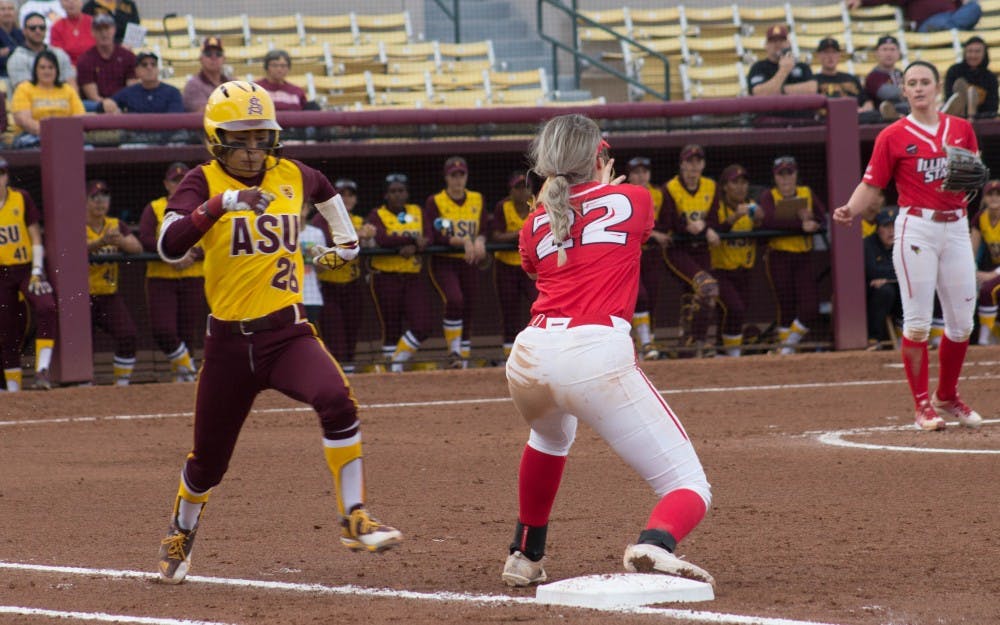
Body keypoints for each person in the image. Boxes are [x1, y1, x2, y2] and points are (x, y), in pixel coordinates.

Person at [155, 80, 401, 584]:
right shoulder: (201, 182)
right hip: (227, 342)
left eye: (260, 138)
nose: (252, 151)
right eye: (241, 139)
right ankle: (182, 527)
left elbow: (334, 210)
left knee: (337, 399)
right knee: (207, 464)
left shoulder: (295, 174)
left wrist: (346, 245)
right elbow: (168, 245)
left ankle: (354, 515)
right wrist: (220, 205)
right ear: (216, 138)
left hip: (287, 332)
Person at [501, 113, 713, 589]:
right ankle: (655, 544)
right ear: (598, 159)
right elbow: (612, 223)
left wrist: (569, 194)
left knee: (549, 439)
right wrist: (599, 185)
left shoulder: (536, 219)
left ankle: (524, 553)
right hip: (593, 349)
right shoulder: (634, 198)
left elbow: (538, 267)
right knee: (688, 484)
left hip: (531, 354)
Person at [833, 60, 984, 431]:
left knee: (962, 324)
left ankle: (946, 395)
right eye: (912, 83)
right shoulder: (893, 135)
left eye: (925, 82)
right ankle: (921, 406)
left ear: (937, 88)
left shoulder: (962, 129)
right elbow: (872, 184)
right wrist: (851, 209)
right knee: (917, 322)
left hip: (956, 227)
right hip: (916, 227)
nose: (918, 88)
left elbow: (974, 176)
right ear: (904, 91)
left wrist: (973, 179)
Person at [137, 162, 204, 383]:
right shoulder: (155, 207)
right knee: (162, 329)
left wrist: (191, 254)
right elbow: (145, 239)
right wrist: (171, 255)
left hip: (193, 274)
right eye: (175, 181)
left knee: (188, 330)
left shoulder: (201, 206)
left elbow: (215, 239)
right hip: (161, 276)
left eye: (184, 180)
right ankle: (188, 368)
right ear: (167, 184)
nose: (179, 184)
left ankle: (181, 380)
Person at [758, 155, 826, 355]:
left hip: (803, 256)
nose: (786, 178)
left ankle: (787, 347)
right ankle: (786, 354)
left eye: (790, 173)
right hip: (778, 256)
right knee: (785, 304)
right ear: (775, 177)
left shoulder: (806, 192)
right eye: (781, 174)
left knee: (810, 306)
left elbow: (822, 219)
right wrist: (799, 224)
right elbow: (768, 221)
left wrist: (812, 222)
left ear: (796, 174)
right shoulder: (768, 196)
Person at [660, 144, 724, 358]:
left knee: (692, 299)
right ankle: (700, 341)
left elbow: (715, 220)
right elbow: (666, 223)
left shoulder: (711, 186)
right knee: (707, 287)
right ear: (681, 165)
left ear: (703, 164)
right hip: (678, 250)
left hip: (702, 250)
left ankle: (686, 349)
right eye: (689, 161)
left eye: (698, 161)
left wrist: (706, 228)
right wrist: (684, 225)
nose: (693, 166)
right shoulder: (670, 188)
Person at [425, 155, 488, 368]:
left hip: (469, 262)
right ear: (446, 177)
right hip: (445, 261)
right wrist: (463, 241)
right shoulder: (435, 201)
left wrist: (479, 239)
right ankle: (454, 352)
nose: (458, 179)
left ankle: (464, 360)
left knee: (469, 306)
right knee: (455, 299)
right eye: (453, 175)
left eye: (461, 175)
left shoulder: (477, 198)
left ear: (467, 176)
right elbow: (437, 234)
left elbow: (484, 229)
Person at [0, 158, 57, 391]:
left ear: (7, 177)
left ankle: (42, 370)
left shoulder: (20, 198)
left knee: (47, 306)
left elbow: (35, 235)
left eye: (1, 173)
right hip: (1, 274)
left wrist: (36, 270)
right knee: (6, 327)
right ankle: (14, 389)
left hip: (25, 268)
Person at [368, 172, 434, 372]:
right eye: (393, 191)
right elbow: (382, 238)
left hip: (412, 276)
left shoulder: (417, 211)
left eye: (401, 191)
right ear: (386, 194)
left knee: (423, 324)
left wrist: (418, 244)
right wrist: (411, 241)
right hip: (385, 276)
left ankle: (394, 364)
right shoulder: (377, 213)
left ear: (407, 193)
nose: (397, 195)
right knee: (391, 326)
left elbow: (429, 235)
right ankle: (392, 376)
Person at [312, 178, 374, 374]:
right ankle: (337, 376)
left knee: (351, 334)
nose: (347, 199)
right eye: (342, 195)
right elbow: (328, 241)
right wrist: (359, 235)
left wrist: (371, 237)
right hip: (328, 287)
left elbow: (372, 245)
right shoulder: (320, 219)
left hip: (353, 285)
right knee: (335, 337)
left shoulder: (358, 220)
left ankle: (350, 376)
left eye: (350, 195)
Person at [85, 179, 141, 385]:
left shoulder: (115, 225)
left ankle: (122, 383)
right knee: (82, 342)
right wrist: (100, 243)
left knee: (128, 334)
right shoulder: (76, 224)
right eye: (94, 197)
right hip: (82, 297)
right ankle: (83, 382)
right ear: (84, 201)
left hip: (108, 294)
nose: (100, 201)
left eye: (104, 196)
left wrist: (120, 241)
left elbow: (138, 248)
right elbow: (70, 251)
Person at [710, 164, 765, 357]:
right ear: (725, 186)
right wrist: (734, 217)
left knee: (732, 313)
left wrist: (760, 221)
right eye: (735, 182)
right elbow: (714, 229)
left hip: (745, 271)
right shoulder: (718, 206)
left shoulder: (752, 206)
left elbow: (764, 235)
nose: (740, 187)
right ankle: (734, 355)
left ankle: (720, 351)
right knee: (735, 308)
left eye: (743, 182)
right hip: (720, 271)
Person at [487, 172, 537, 361]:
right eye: (518, 187)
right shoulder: (503, 207)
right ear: (511, 191)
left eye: (526, 187)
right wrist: (521, 233)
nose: (523, 191)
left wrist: (519, 234)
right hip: (506, 266)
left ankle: (536, 352)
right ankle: (509, 356)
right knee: (509, 311)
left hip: (529, 268)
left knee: (537, 304)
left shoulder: (535, 206)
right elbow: (497, 236)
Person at [626, 156, 668, 360]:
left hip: (653, 254)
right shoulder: (624, 194)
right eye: (636, 172)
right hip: (631, 254)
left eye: (644, 172)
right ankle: (644, 343)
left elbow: (668, 222)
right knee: (639, 295)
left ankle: (647, 347)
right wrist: (653, 234)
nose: (640, 176)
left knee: (651, 297)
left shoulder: (658, 194)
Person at [9, 49, 84, 149]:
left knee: (86, 148)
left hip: (65, 136)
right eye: (42, 68)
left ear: (57, 70)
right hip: (31, 136)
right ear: (36, 70)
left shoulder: (68, 90)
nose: (47, 71)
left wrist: (63, 134)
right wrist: (50, 132)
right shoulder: (24, 89)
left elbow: (79, 117)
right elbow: (24, 120)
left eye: (51, 67)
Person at [75, 12, 135, 113]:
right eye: (99, 30)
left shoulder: (128, 56)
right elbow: (93, 96)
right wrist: (109, 106)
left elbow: (132, 89)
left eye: (107, 28)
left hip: (124, 105)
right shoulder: (85, 59)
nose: (103, 33)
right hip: (98, 106)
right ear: (92, 32)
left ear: (114, 30)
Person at [813, 37, 879, 124]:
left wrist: (864, 108)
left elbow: (867, 102)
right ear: (819, 55)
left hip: (856, 119)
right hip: (829, 120)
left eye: (834, 52)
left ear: (839, 55)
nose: (830, 56)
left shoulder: (851, 78)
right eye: (826, 52)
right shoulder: (813, 81)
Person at [864, 206, 903, 348]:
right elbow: (873, 271)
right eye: (886, 226)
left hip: (899, 293)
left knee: (911, 289)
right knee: (885, 290)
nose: (891, 231)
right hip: (872, 296)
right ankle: (874, 339)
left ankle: (909, 336)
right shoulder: (868, 244)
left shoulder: (906, 243)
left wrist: (889, 278)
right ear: (878, 229)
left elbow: (915, 267)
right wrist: (895, 276)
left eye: (895, 226)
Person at [7, 11, 75, 90]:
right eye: (33, 28)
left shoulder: (59, 54)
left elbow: (71, 85)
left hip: (62, 100)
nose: (38, 31)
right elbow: (24, 90)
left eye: (42, 27)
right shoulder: (17, 59)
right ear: (24, 31)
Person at [971, 179, 1000, 345]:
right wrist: (972, 272)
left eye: (998, 194)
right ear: (984, 198)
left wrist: (991, 275)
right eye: (990, 194)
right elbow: (971, 252)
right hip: (993, 269)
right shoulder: (980, 218)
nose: (995, 197)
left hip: (995, 272)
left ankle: (984, 340)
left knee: (989, 288)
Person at [943, 36, 998, 120]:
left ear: (984, 54)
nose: (973, 55)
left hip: (980, 121)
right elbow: (949, 99)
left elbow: (992, 108)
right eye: (970, 51)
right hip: (956, 118)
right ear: (965, 53)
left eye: (977, 51)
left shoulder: (990, 78)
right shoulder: (954, 71)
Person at [110, 51, 182, 113]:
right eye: (144, 65)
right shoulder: (129, 92)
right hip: (135, 129)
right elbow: (104, 106)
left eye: (153, 64)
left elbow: (175, 119)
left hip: (164, 129)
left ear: (158, 69)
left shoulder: (172, 93)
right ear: (136, 71)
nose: (149, 68)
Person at [847, 0, 981, 33]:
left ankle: (953, 29)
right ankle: (957, 30)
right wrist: (863, 1)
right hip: (928, 22)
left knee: (974, 6)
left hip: (952, 16)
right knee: (942, 21)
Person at [864, 35, 909, 122]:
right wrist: (909, 90)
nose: (889, 53)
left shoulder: (901, 73)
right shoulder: (873, 76)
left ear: (898, 53)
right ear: (877, 53)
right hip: (883, 119)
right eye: (884, 49)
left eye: (892, 49)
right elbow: (886, 93)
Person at [183, 37, 231, 114]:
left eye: (218, 54)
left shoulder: (232, 82)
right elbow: (203, 114)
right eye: (208, 54)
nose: (213, 57)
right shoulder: (193, 85)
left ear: (224, 59)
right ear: (201, 59)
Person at [299, 201, 325, 325]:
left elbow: (323, 268)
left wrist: (314, 257)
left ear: (308, 208)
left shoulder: (316, 234)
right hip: (287, 299)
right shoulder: (280, 233)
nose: (299, 209)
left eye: (302, 205)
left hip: (311, 297)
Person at [50, 0, 93, 65]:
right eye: (66, 0)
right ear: (61, 4)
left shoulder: (93, 23)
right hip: (68, 68)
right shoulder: (57, 27)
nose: (71, 2)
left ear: (81, 2)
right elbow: (58, 55)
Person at [0, 0, 26, 84]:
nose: (7, 13)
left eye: (10, 9)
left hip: (22, 75)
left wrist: (9, 50)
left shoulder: (21, 34)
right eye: (2, 9)